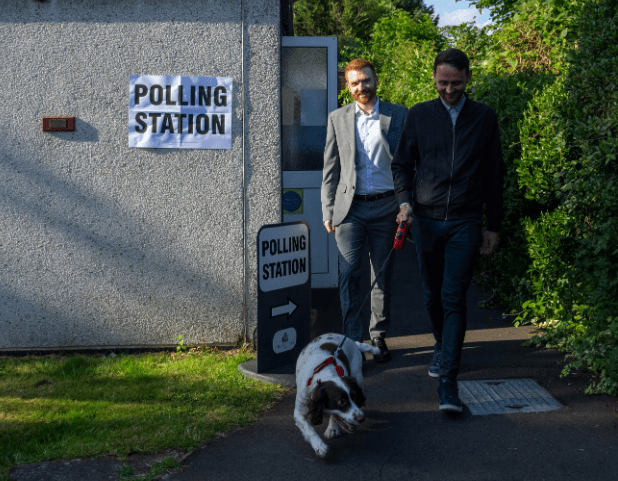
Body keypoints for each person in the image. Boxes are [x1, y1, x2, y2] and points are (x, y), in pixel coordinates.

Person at [391, 48, 503, 410]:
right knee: (430, 295)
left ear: (468, 77)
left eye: (455, 83)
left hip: (465, 221)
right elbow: (402, 165)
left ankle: (448, 382)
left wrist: (494, 225)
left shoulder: (484, 117)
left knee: (454, 297)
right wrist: (405, 201)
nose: (449, 90)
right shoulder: (419, 115)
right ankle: (442, 344)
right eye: (443, 83)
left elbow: (494, 175)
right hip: (425, 220)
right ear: (434, 79)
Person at [321, 59, 408, 362]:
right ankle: (351, 340)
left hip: (387, 207)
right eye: (355, 83)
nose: (361, 87)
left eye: (366, 81)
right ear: (348, 87)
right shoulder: (337, 118)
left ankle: (379, 336)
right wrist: (327, 210)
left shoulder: (398, 115)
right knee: (349, 274)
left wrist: (405, 203)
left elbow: (408, 164)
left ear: (376, 80)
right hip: (350, 209)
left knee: (381, 276)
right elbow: (330, 170)